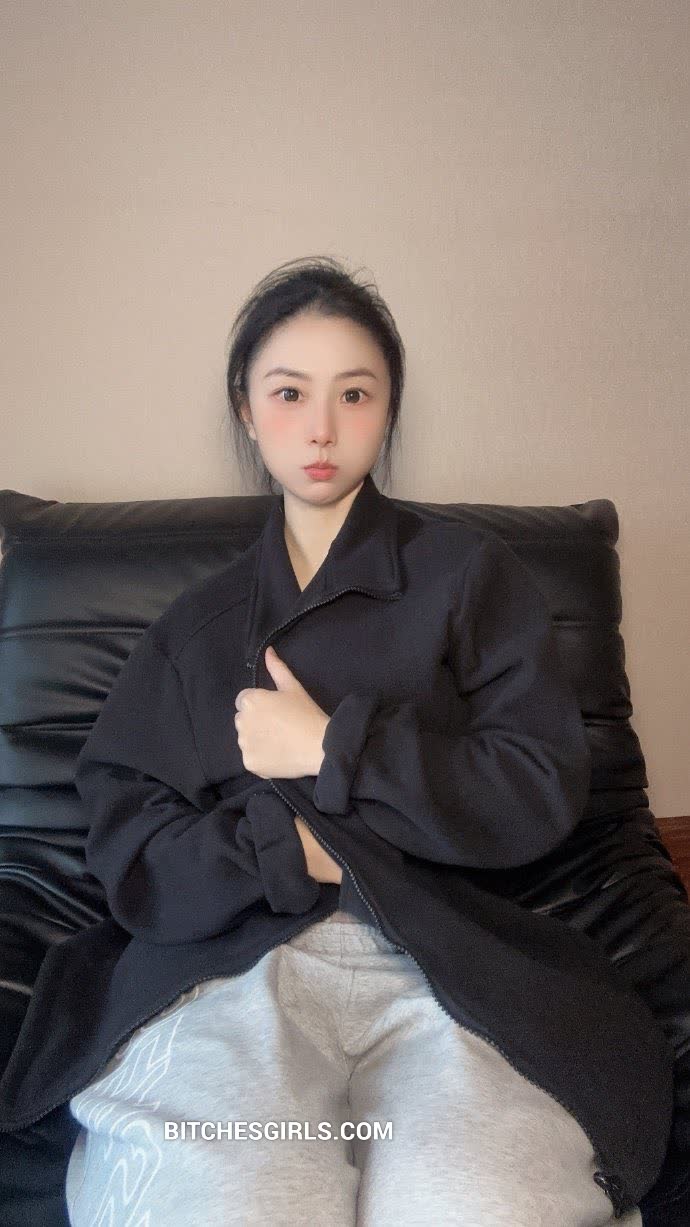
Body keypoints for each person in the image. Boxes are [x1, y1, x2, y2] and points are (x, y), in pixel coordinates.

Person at [47, 256, 671, 1223]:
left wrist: (334, 747)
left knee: (476, 1199)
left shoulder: (469, 576)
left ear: (388, 410)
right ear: (246, 409)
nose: (322, 428)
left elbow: (535, 785)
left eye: (355, 393)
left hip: (444, 958)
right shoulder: (195, 629)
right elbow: (131, 843)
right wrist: (288, 847)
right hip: (234, 968)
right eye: (289, 392)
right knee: (231, 1196)